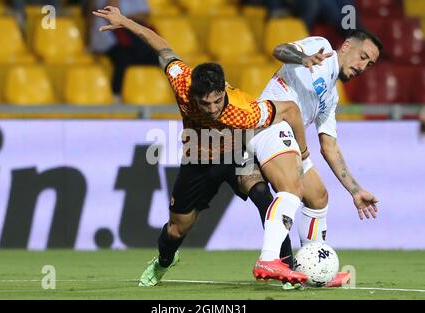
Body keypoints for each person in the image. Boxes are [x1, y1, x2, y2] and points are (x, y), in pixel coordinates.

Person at [93, 6, 310, 286]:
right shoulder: (181, 81)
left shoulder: (245, 109)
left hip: (236, 154)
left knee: (264, 198)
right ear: (193, 94)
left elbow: (291, 110)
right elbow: (161, 45)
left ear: (223, 92)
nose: (211, 109)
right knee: (176, 229)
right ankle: (164, 262)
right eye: (204, 102)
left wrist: (303, 153)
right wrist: (124, 22)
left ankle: (286, 269)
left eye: (217, 101)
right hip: (198, 160)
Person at [260, 30, 381, 286]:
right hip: (270, 122)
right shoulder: (321, 48)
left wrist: (355, 191)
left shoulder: (331, 97)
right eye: (362, 57)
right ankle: (268, 259)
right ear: (346, 46)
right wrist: (302, 59)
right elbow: (279, 49)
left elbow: (330, 146)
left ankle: (314, 271)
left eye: (369, 64)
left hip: (291, 139)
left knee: (318, 197)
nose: (362, 67)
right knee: (292, 188)